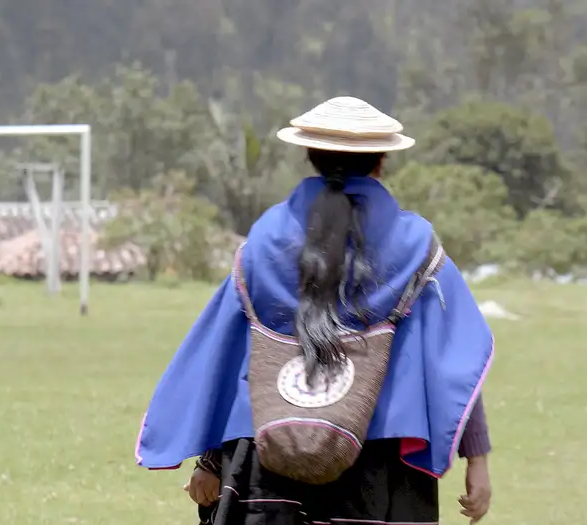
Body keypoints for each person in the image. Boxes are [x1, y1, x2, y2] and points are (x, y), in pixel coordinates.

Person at [134, 96, 495, 525]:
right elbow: (454, 358)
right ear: (381, 161)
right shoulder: (417, 245)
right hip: (381, 463)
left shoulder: (266, 239)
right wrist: (477, 459)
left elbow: (229, 352)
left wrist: (210, 461)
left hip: (268, 455)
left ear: (309, 155)